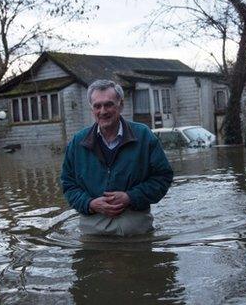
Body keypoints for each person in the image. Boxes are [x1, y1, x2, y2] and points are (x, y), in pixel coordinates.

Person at [60, 79, 173, 236]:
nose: (103, 111)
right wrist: (90, 203)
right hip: (93, 230)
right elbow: (68, 185)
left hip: (136, 230)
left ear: (121, 105)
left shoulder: (144, 136)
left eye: (109, 104)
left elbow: (163, 177)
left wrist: (130, 197)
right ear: (91, 109)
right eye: (97, 106)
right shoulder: (78, 142)